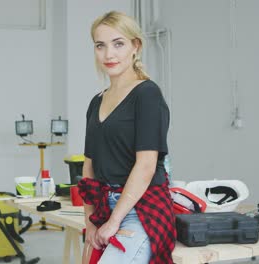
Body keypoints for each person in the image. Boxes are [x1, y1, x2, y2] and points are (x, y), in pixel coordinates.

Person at [78, 10, 176, 264]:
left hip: (141, 208)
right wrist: (90, 221)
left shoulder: (147, 95)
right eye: (101, 46)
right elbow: (89, 166)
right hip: (103, 206)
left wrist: (114, 221)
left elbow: (145, 165)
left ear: (136, 46)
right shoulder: (96, 102)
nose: (109, 54)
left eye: (118, 44)